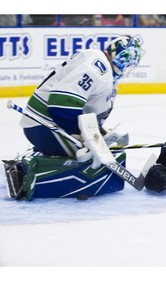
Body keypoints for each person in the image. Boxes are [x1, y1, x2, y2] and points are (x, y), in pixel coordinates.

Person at [3, 35, 144, 201]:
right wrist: (86, 138)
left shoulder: (104, 70)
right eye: (126, 59)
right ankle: (31, 176)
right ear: (116, 54)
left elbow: (83, 114)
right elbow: (61, 104)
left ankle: (39, 160)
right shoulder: (98, 67)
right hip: (44, 125)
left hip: (46, 125)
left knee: (99, 148)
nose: (127, 65)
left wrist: (95, 134)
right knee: (89, 157)